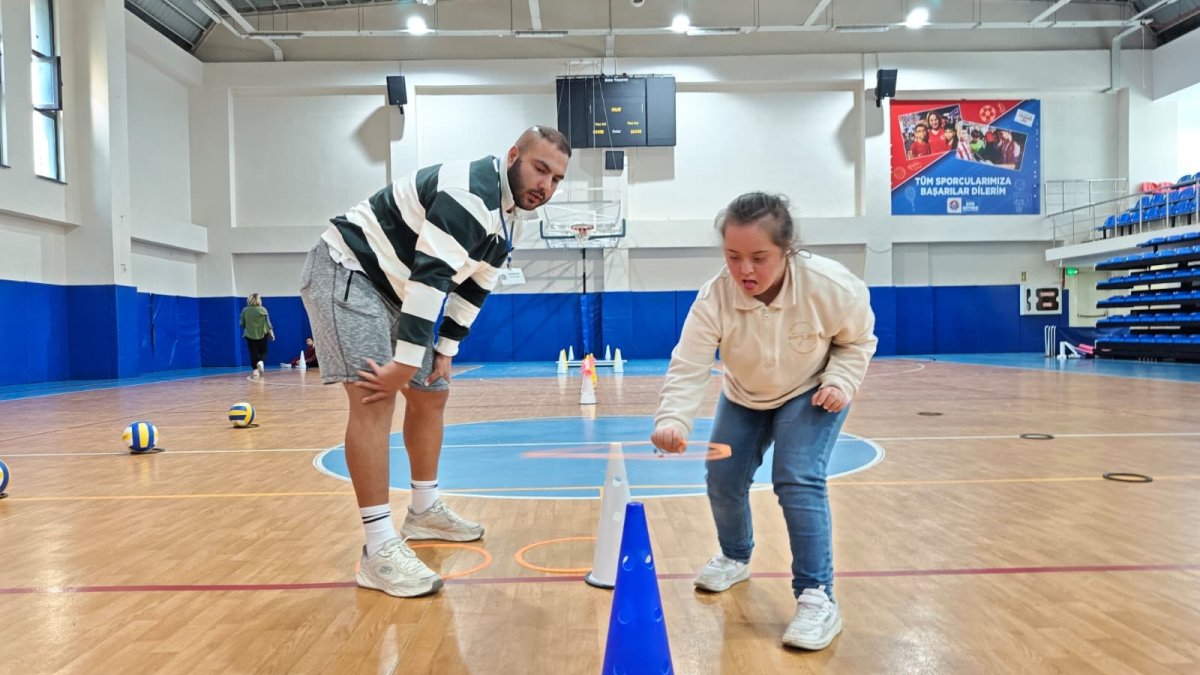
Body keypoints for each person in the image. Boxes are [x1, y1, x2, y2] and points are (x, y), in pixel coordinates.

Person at [299, 126, 571, 598]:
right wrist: (405, 364)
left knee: (432, 393)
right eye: (539, 169)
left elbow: (476, 284)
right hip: (350, 271)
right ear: (513, 156)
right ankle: (378, 549)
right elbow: (434, 275)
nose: (545, 185)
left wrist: (445, 350)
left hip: (398, 290)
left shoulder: (511, 218)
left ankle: (423, 511)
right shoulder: (470, 193)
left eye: (557, 179)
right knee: (374, 398)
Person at [649, 192, 877, 651]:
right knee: (722, 476)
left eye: (759, 257)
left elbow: (857, 341)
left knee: (797, 477)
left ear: (787, 249)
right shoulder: (715, 296)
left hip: (812, 389)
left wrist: (840, 381)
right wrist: (673, 418)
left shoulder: (831, 287)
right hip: (744, 393)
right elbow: (690, 362)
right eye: (733, 257)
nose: (745, 271)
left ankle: (817, 596)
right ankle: (735, 557)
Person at [240, 293, 274, 380]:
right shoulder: (263, 310)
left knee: (253, 353)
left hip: (250, 335)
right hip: (263, 334)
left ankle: (255, 370)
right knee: (263, 351)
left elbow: (242, 324)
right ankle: (261, 362)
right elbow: (268, 323)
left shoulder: (245, 311)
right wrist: (271, 333)